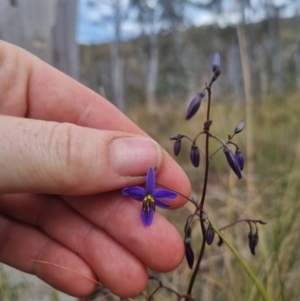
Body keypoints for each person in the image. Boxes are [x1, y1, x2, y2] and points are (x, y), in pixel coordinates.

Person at [0, 41, 191, 298]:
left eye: (150, 199)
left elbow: (153, 196)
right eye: (148, 198)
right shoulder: (143, 191)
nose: (148, 200)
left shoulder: (147, 193)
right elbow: (141, 193)